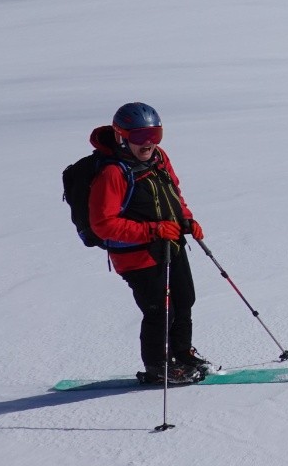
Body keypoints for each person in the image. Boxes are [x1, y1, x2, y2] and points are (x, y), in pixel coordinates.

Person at [87, 102, 211, 384]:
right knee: (159, 310)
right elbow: (103, 224)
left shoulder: (159, 157)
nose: (148, 144)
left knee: (184, 300)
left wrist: (186, 220)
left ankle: (182, 354)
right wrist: (153, 230)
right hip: (137, 256)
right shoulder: (113, 173)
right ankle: (158, 366)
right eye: (140, 137)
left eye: (155, 136)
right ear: (122, 137)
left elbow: (173, 193)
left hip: (171, 244)